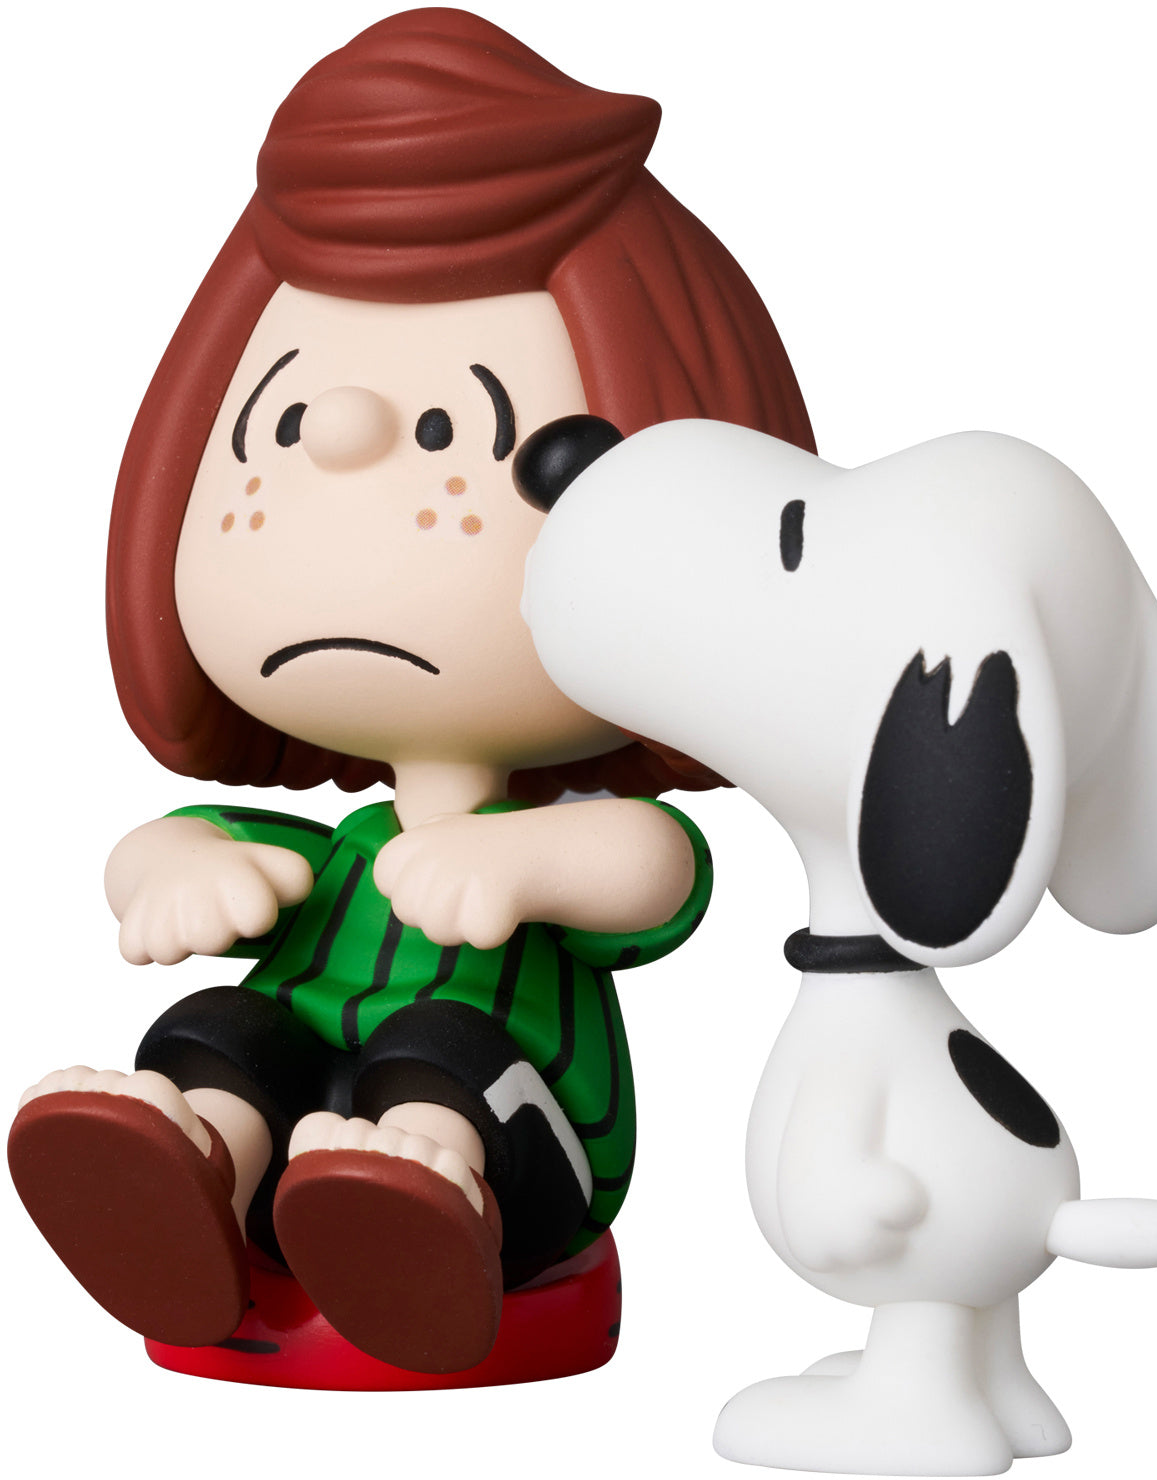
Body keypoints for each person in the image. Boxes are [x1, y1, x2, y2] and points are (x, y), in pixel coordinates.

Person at [8, 7, 813, 1377]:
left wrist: (524, 861)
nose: (340, 439)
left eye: (458, 433)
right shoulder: (338, 857)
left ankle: (422, 1202)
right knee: (230, 1032)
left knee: (441, 1049)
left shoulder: (573, 846)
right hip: (302, 1119)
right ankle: (196, 1172)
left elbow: (654, 871)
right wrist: (169, 870)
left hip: (532, 1144)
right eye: (275, 428)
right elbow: (176, 852)